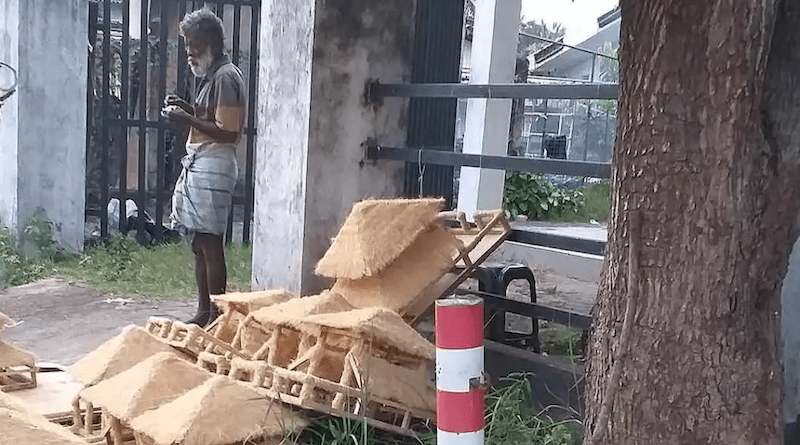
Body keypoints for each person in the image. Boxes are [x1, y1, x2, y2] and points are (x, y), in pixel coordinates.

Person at [162, 8, 245, 327]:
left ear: (210, 41)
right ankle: (204, 311)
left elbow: (228, 131)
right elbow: (213, 118)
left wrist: (186, 119)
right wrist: (190, 109)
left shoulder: (225, 76)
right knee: (200, 243)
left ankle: (215, 315)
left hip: (214, 164)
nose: (188, 53)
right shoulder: (215, 75)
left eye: (191, 45)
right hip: (205, 162)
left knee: (210, 244)